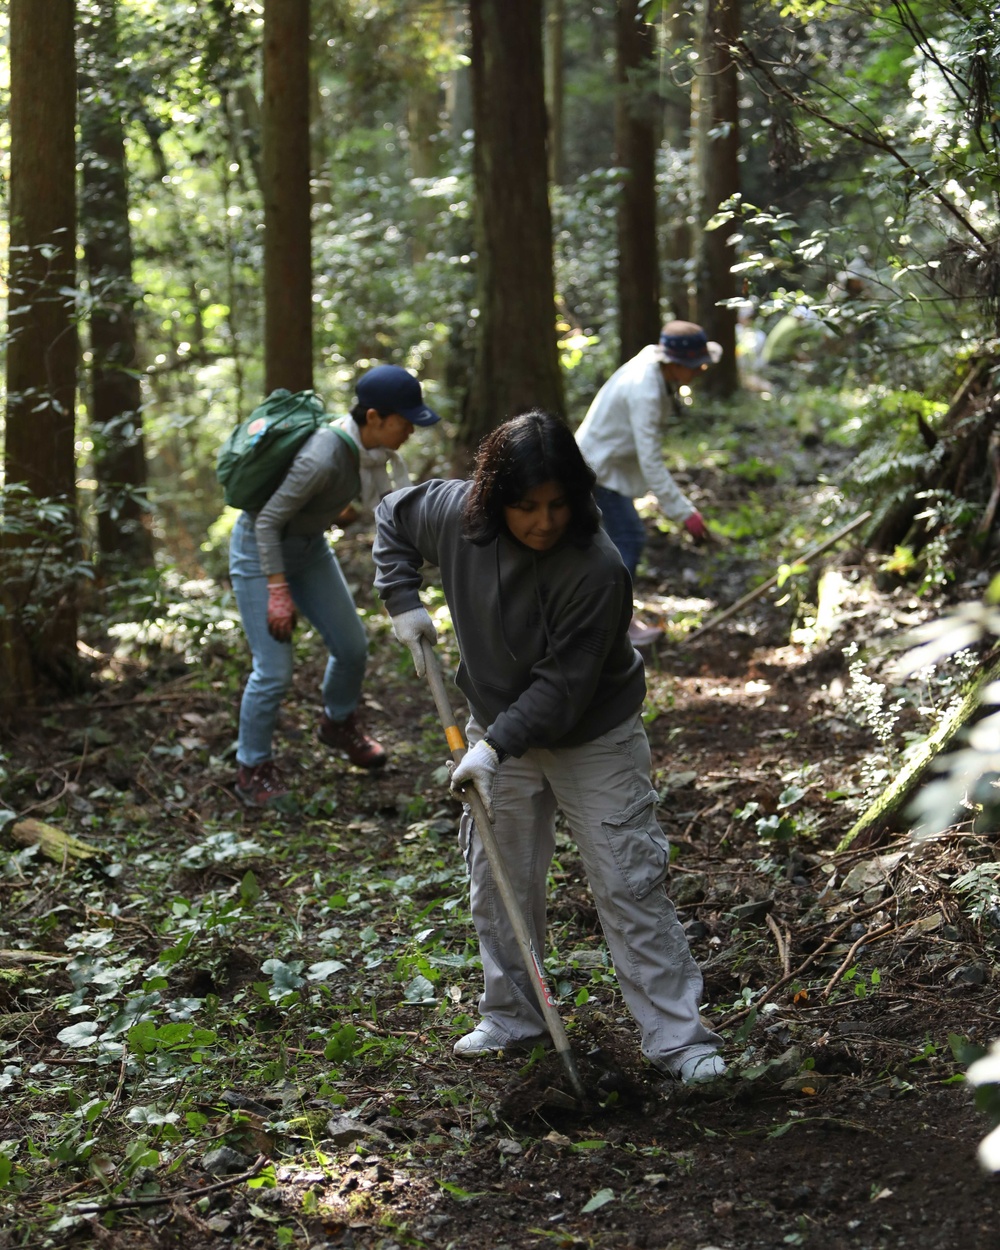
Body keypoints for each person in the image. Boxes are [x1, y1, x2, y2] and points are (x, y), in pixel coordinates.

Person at [373, 411, 725, 1084]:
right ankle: (514, 1015)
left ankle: (679, 1041)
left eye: (559, 503)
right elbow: (392, 514)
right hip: (495, 727)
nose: (543, 521)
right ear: (494, 497)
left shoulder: (596, 569)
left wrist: (492, 747)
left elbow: (564, 688)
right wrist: (401, 599)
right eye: (526, 506)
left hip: (592, 737)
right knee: (497, 877)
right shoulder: (453, 515)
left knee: (627, 881)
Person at [230, 365, 440, 808]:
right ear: (375, 418)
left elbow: (379, 505)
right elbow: (266, 520)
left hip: (308, 548)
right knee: (274, 671)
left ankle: (337, 723)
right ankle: (252, 767)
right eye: (404, 422)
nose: (410, 432)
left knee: (352, 646)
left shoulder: (367, 455)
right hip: (260, 552)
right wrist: (277, 590)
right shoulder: (323, 456)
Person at [575, 320, 721, 647]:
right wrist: (685, 513)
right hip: (597, 471)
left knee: (610, 544)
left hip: (604, 466)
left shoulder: (653, 369)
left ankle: (610, 618)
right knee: (628, 539)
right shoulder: (646, 391)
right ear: (674, 364)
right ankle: (614, 626)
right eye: (695, 366)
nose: (700, 372)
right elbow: (651, 460)